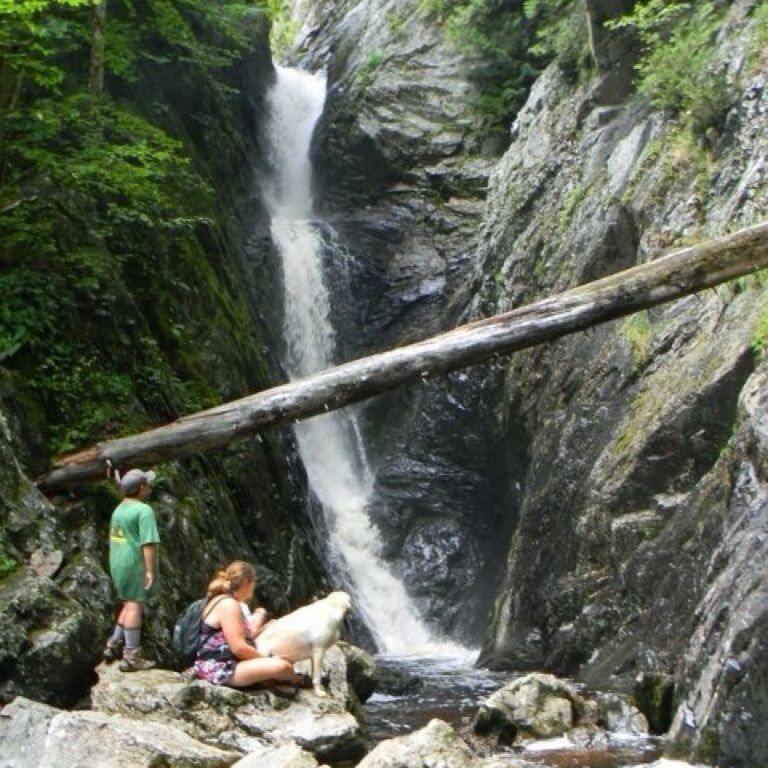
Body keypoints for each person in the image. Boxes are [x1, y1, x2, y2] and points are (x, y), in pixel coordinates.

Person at [193, 561, 308, 688]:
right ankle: (297, 679)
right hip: (219, 669)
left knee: (283, 659)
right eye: (254, 584)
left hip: (227, 663)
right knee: (282, 666)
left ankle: (287, 677)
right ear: (248, 582)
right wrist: (265, 659)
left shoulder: (224, 600)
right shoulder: (229, 605)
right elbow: (238, 648)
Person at [103, 468, 160, 672]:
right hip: (134, 563)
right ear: (141, 487)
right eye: (148, 484)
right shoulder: (144, 511)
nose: (150, 487)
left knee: (128, 604)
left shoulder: (119, 509)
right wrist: (149, 570)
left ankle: (113, 645)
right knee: (136, 606)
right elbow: (148, 543)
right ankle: (132, 656)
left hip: (117, 563)